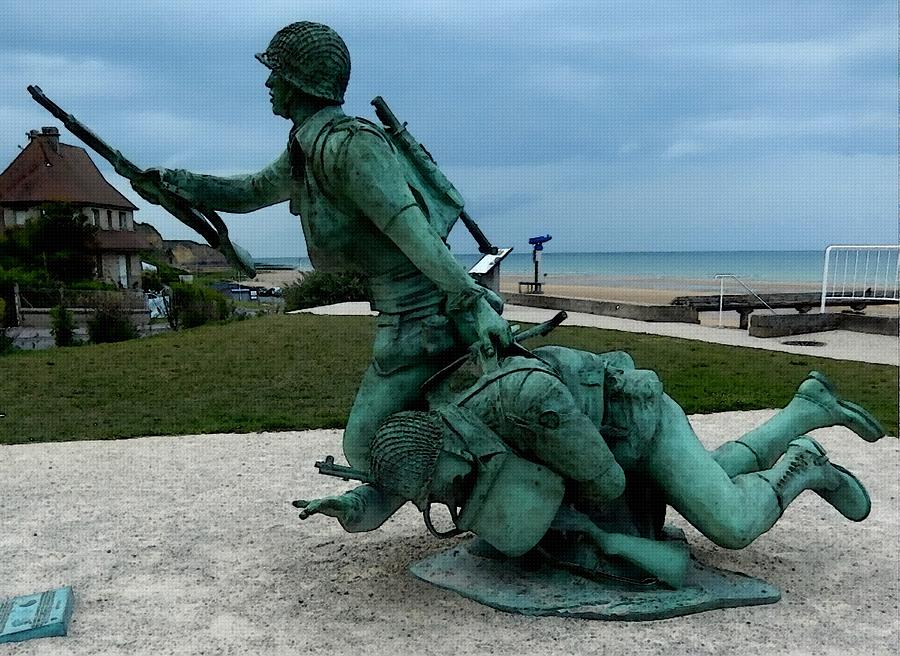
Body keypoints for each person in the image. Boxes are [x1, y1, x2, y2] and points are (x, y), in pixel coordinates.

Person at [138, 22, 511, 471]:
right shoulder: (307, 145)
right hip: (403, 317)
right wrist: (179, 183)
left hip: (424, 318)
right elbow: (251, 191)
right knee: (381, 440)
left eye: (276, 72)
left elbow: (414, 230)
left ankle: (497, 495)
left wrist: (472, 302)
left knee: (367, 445)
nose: (268, 83)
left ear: (298, 82)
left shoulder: (350, 147)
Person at [295, 345, 884, 584]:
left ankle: (804, 463)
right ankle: (806, 409)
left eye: (447, 488)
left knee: (728, 523)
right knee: (705, 480)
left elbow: (605, 482)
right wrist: (352, 504)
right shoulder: (436, 437)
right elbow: (404, 479)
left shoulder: (527, 400)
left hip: (633, 428)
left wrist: (559, 522)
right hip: (593, 449)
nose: (451, 498)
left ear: (453, 449)